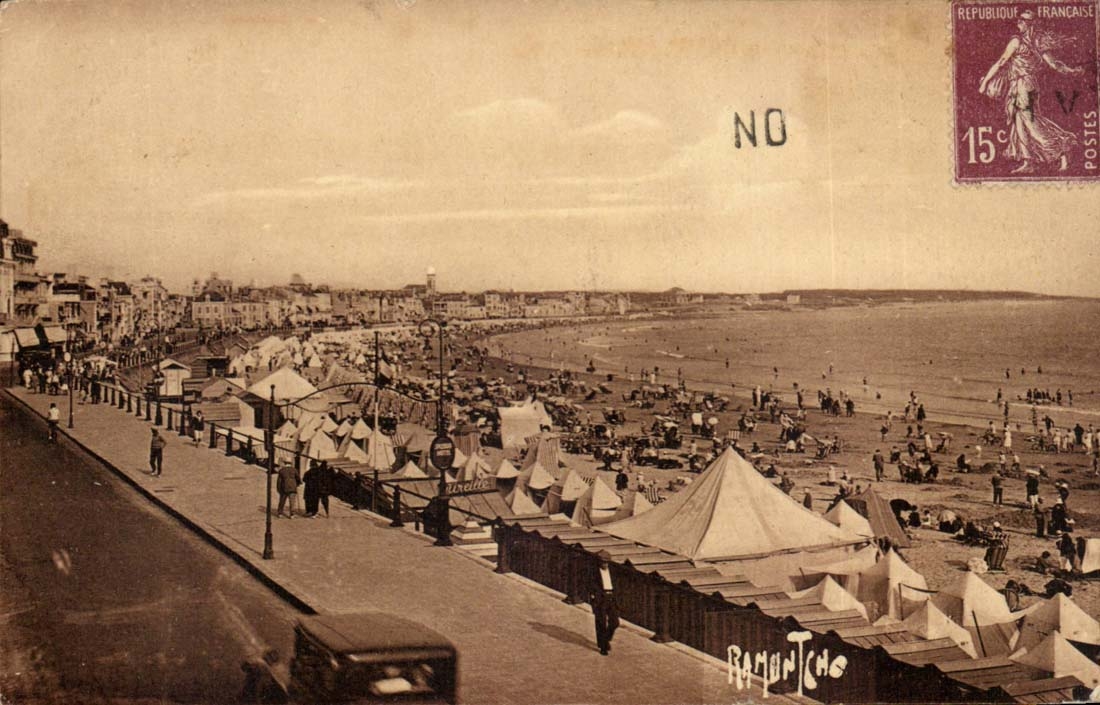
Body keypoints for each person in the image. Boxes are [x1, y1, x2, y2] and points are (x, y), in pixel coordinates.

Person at [589, 555, 620, 656]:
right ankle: (603, 646)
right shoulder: (594, 573)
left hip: (611, 597)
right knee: (601, 623)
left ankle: (606, 639)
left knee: (615, 622)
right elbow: (591, 586)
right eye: (603, 562)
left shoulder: (613, 572)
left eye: (607, 562)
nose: (605, 564)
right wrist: (595, 598)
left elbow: (616, 585)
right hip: (601, 599)